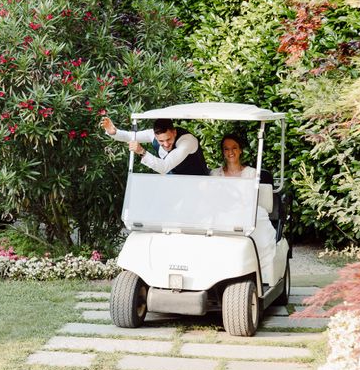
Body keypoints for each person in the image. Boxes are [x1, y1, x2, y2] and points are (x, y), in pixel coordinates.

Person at [211, 133, 276, 281]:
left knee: (254, 224)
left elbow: (248, 199)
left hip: (245, 210)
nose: (230, 152)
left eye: (234, 148)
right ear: (223, 152)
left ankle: (255, 270)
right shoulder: (215, 174)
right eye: (226, 149)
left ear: (240, 150)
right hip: (222, 211)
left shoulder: (251, 173)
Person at [101, 117, 209, 175]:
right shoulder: (152, 135)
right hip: (175, 181)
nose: (166, 144)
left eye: (169, 139)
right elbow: (130, 136)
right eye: (161, 141)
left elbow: (165, 167)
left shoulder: (187, 141)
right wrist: (113, 132)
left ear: (174, 132)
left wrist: (142, 152)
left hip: (198, 182)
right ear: (155, 136)